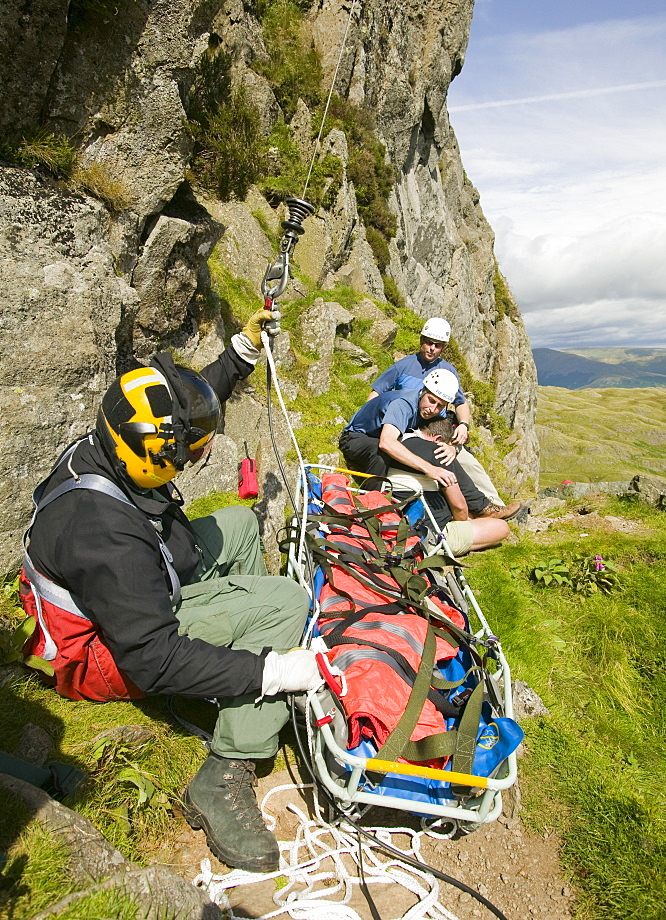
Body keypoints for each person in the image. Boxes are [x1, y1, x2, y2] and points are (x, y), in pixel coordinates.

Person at [19, 308, 321, 874]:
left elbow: (180, 408)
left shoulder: (113, 440)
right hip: (107, 654)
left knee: (234, 523)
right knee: (287, 602)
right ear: (153, 456)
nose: (200, 453)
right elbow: (152, 656)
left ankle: (224, 683)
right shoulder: (103, 534)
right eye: (191, 451)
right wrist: (273, 672)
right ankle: (228, 765)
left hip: (134, 587)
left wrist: (241, 354)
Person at [339, 369, 520, 520]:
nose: (432, 409)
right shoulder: (403, 404)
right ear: (423, 392)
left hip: (389, 436)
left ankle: (481, 506)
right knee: (381, 452)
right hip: (357, 438)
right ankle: (372, 507)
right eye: (431, 401)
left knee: (438, 451)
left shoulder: (434, 410)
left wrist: (451, 446)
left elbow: (446, 430)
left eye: (440, 406)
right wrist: (430, 469)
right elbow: (387, 442)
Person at [367, 317, 505, 507]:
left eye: (438, 345)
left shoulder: (447, 371)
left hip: (438, 430)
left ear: (444, 347)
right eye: (428, 342)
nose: (432, 348)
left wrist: (463, 426)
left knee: (467, 461)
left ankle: (496, 505)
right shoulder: (403, 366)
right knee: (445, 461)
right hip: (409, 430)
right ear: (421, 341)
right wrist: (372, 423)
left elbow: (460, 402)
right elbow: (377, 393)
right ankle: (470, 508)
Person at [386, 417, 512, 556]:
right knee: (501, 528)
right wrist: (464, 520)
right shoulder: (439, 452)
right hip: (428, 532)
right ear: (439, 439)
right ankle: (436, 548)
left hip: (392, 520)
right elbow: (459, 506)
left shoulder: (397, 443)